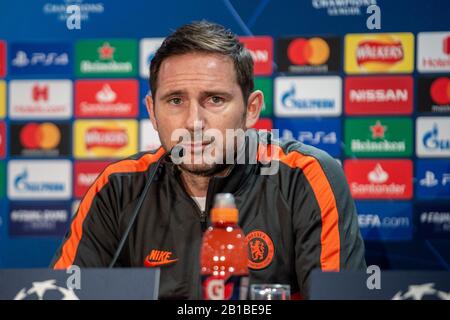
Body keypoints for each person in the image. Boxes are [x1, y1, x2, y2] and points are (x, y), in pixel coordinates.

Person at [51, 21, 366, 299]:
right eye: (175, 101)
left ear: (251, 109)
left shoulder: (304, 177)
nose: (194, 122)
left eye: (214, 99)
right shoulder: (118, 187)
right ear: (152, 111)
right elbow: (63, 293)